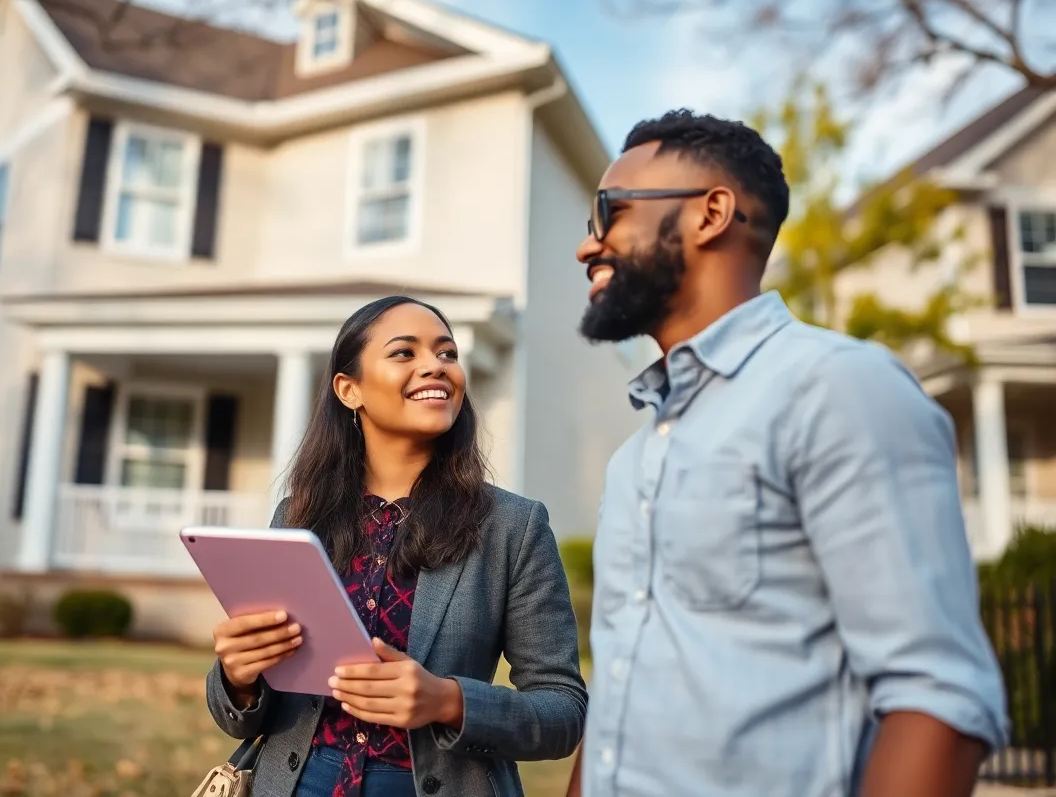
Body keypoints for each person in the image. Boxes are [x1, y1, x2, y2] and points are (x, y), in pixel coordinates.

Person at [565, 110, 1008, 797]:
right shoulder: (632, 460)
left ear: (712, 213)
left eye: (608, 213)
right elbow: (621, 691)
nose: (586, 247)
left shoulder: (838, 389)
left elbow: (939, 701)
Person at [205, 295, 587, 797]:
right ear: (349, 390)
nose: (435, 366)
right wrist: (237, 676)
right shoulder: (298, 518)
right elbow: (241, 718)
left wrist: (448, 701)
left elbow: (563, 710)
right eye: (405, 353)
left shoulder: (514, 527)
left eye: (447, 354)